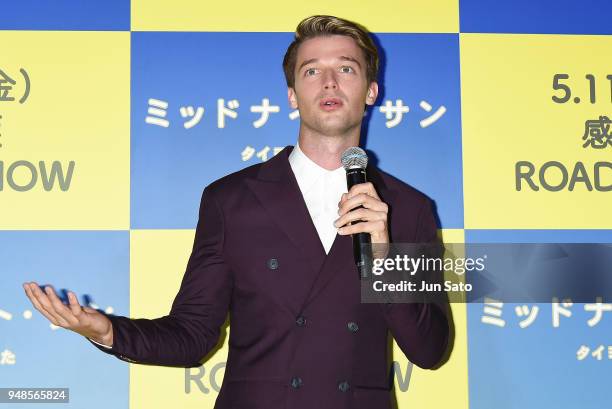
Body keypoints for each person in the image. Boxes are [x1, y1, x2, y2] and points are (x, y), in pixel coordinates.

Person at [23, 15, 449, 409]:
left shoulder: (409, 209)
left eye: (347, 68)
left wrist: (383, 261)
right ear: (292, 94)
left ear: (371, 90)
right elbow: (192, 335)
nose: (330, 83)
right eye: (312, 70)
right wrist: (108, 332)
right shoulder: (232, 199)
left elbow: (430, 351)